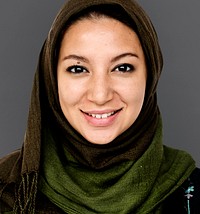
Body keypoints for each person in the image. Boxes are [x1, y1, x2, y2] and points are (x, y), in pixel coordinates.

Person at [0, 0, 199, 213]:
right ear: (51, 79)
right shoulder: (8, 192)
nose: (100, 95)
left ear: (150, 76)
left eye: (122, 67)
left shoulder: (190, 192)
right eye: (78, 69)